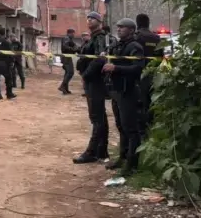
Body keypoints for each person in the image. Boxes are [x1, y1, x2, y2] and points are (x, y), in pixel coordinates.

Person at [102, 18, 146, 176]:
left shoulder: (135, 46)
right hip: (117, 91)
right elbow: (111, 56)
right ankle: (122, 157)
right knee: (121, 126)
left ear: (131, 30)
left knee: (131, 129)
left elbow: (138, 67)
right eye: (118, 27)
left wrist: (116, 67)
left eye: (122, 27)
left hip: (129, 91)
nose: (119, 29)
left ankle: (132, 164)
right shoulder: (118, 45)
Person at [73, 12, 109, 164]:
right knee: (99, 116)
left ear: (99, 22)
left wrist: (86, 74)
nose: (89, 20)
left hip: (95, 81)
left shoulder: (100, 38)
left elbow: (100, 58)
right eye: (88, 18)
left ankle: (92, 152)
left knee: (96, 117)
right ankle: (101, 150)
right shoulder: (93, 37)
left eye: (92, 18)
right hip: (90, 81)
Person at [135, 14, 162, 137]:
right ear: (148, 23)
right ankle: (151, 126)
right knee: (151, 101)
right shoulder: (156, 38)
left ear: (137, 23)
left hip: (139, 74)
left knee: (140, 102)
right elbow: (160, 56)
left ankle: (142, 130)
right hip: (154, 73)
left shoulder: (136, 37)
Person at [59, 28, 78, 95]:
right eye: (73, 33)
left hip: (67, 57)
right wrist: (73, 49)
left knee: (67, 73)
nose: (74, 35)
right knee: (70, 72)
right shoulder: (66, 38)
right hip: (66, 57)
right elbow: (65, 47)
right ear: (70, 33)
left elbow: (75, 46)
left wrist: (76, 48)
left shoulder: (69, 39)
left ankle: (65, 89)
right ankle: (62, 86)